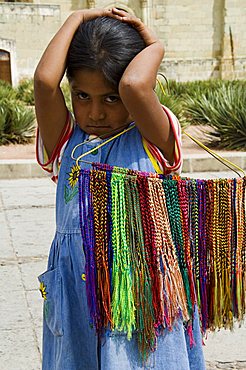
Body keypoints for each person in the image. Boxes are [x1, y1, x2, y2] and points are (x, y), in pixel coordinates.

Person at [34, 7, 205, 370]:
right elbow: (45, 82)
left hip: (139, 289)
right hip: (76, 292)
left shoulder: (153, 136)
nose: (95, 113)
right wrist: (78, 17)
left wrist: (154, 43)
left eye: (110, 99)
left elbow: (134, 85)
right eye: (81, 96)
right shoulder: (67, 142)